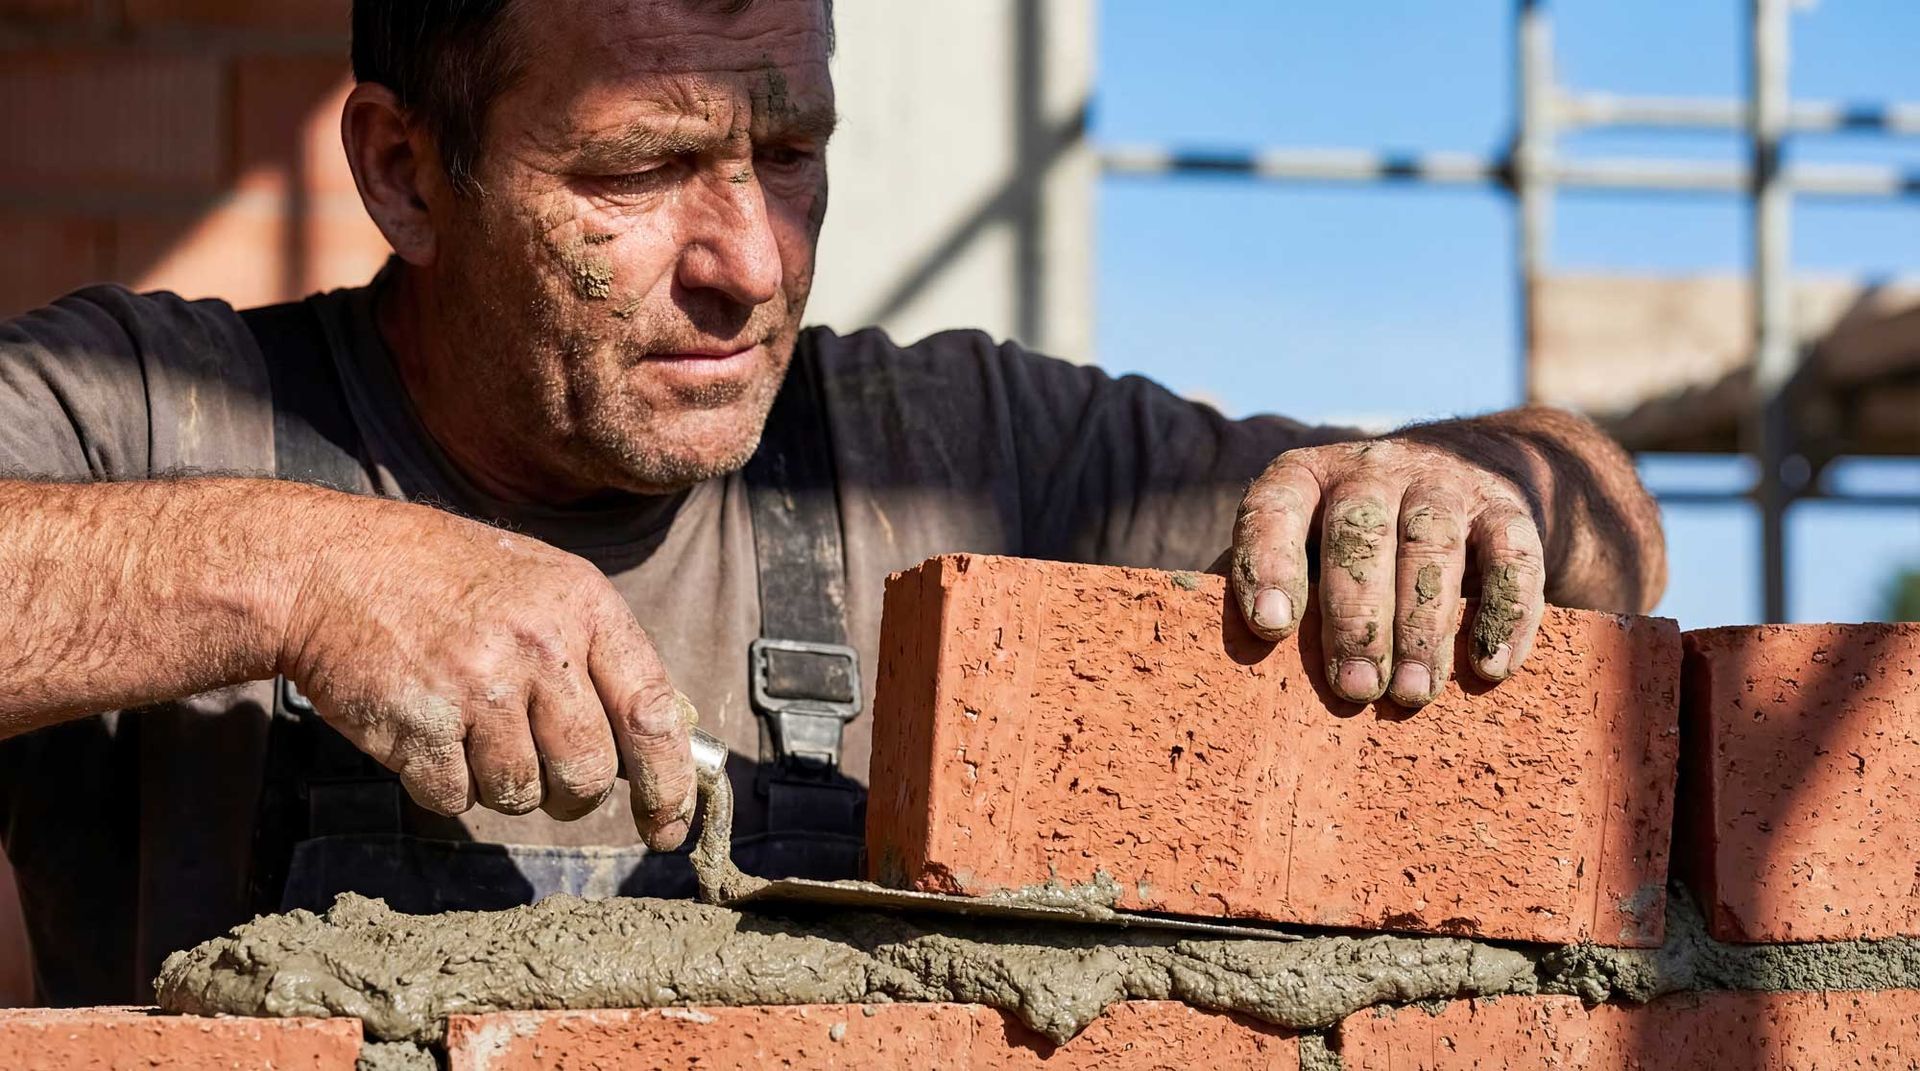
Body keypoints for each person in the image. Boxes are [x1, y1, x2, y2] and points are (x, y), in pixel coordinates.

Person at [0, 0, 1665, 1006]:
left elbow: (1603, 520)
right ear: (402, 172)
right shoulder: (153, 408)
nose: (750, 264)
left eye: (790, 154)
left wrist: (1466, 495)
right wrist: (294, 569)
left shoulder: (948, 441)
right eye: (641, 169)